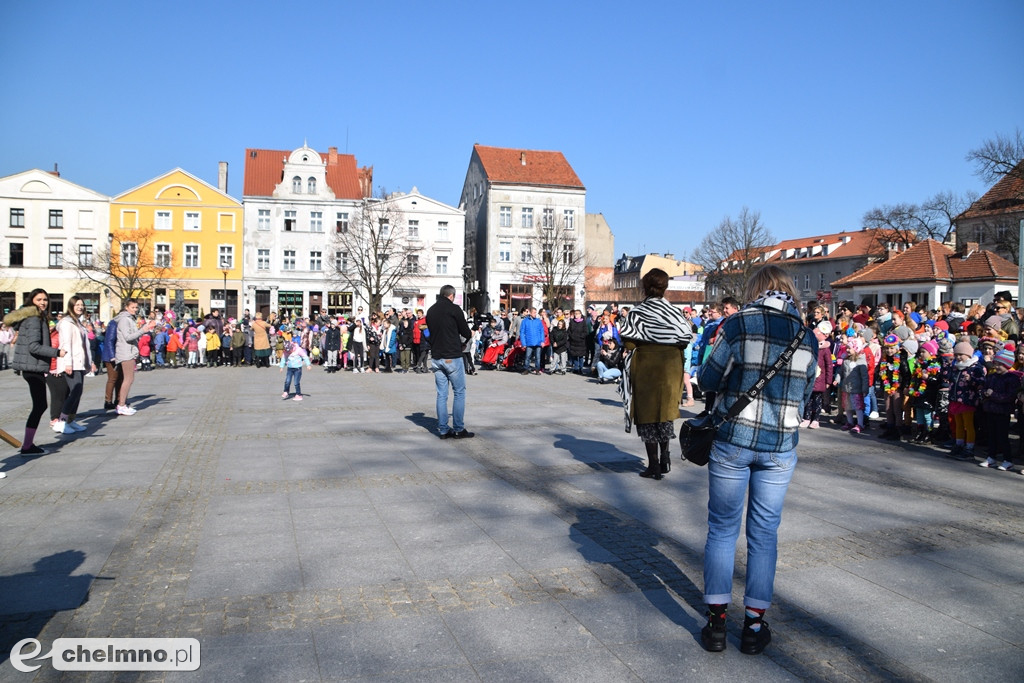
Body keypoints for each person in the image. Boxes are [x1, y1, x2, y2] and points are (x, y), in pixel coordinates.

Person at [696, 265, 817, 656]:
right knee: (764, 534)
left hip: (733, 440)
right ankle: (753, 625)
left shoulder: (736, 325)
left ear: (755, 290)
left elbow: (708, 378)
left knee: (722, 528)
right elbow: (806, 392)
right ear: (787, 291)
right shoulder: (806, 335)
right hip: (780, 444)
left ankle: (716, 622)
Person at [617, 268, 693, 480]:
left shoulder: (638, 312)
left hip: (647, 367)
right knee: (665, 413)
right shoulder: (674, 311)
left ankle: (654, 466)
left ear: (645, 286)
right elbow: (686, 336)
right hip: (670, 367)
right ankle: (666, 458)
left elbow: (629, 341)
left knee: (647, 415)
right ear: (665, 286)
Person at [3, 289, 66, 455]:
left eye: (45, 299)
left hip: (34, 367)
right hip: (32, 367)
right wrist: (56, 352)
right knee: (40, 405)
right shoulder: (34, 319)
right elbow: (33, 346)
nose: (43, 302)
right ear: (32, 301)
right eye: (39, 299)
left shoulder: (37, 317)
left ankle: (28, 445)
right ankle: (27, 446)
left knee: (40, 405)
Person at [425, 284, 473, 439]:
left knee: (441, 394)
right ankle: (459, 428)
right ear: (451, 295)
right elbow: (465, 332)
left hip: (437, 357)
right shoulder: (454, 309)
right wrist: (465, 340)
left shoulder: (431, 310)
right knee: (459, 392)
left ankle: (443, 429)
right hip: (452, 356)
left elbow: (429, 333)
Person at [54, 296, 96, 433]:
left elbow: (84, 346)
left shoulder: (78, 323)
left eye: (81, 305)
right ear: (71, 306)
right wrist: (67, 363)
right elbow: (66, 344)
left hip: (80, 362)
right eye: (77, 304)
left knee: (78, 392)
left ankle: (71, 420)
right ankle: (62, 421)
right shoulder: (67, 323)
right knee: (75, 391)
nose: (80, 307)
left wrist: (90, 362)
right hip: (71, 362)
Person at [114, 299, 157, 416]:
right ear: (126, 307)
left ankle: (122, 404)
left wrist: (144, 328)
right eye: (133, 307)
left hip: (129, 351)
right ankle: (121, 405)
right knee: (128, 379)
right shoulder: (124, 319)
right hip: (125, 352)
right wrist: (143, 330)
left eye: (136, 307)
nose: (135, 309)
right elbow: (128, 337)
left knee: (128, 379)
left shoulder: (129, 319)